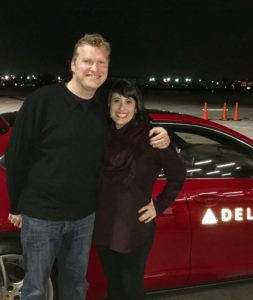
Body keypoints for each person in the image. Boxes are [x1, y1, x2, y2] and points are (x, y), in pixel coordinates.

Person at [5, 34, 170, 300]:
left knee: (76, 286)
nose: (95, 68)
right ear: (73, 64)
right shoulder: (42, 101)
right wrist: (16, 206)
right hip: (41, 216)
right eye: (87, 61)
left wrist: (162, 133)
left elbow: (132, 121)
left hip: (84, 217)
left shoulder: (103, 107)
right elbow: (16, 156)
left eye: (101, 62)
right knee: (35, 289)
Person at [93, 79, 186, 300]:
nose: (121, 108)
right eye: (116, 101)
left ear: (137, 106)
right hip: (103, 224)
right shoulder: (100, 134)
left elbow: (177, 175)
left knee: (131, 287)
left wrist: (159, 205)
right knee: (113, 286)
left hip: (133, 226)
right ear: (108, 104)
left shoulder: (152, 137)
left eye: (128, 101)